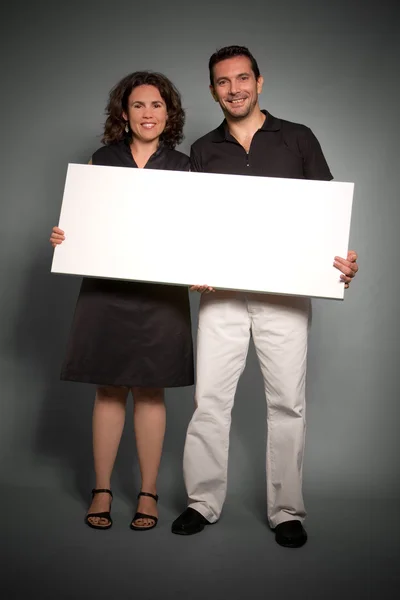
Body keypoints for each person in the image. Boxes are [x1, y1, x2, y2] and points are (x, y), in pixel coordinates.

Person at [172, 46, 359, 547]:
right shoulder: (203, 149)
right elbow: (195, 224)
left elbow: (326, 211)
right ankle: (202, 502)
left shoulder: (297, 137)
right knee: (209, 399)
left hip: (286, 291)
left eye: (242, 78)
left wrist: (342, 260)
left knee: (288, 403)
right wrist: (192, 265)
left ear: (259, 81)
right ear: (212, 89)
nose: (233, 89)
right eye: (222, 81)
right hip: (222, 293)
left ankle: (286, 511)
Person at [50, 71, 194, 531]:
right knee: (109, 388)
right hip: (107, 291)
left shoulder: (186, 166)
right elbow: (85, 224)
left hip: (161, 291)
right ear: (124, 113)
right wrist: (64, 235)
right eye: (138, 105)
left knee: (151, 390)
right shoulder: (100, 160)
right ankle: (102, 488)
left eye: (156, 105)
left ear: (168, 113)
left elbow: (197, 232)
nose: (147, 113)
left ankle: (148, 493)